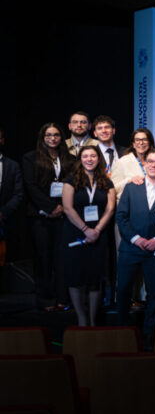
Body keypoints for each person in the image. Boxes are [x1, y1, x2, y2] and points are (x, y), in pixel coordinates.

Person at [115, 149, 155, 348]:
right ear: (145, 164)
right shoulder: (131, 187)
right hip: (131, 247)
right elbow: (121, 216)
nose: (153, 165)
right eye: (150, 161)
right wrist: (136, 238)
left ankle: (149, 333)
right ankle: (123, 331)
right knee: (123, 290)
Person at [61, 144, 116, 327]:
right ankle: (82, 319)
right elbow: (68, 208)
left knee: (95, 279)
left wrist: (97, 230)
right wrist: (86, 229)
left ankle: (93, 321)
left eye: (93, 156)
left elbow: (110, 208)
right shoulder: (70, 181)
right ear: (80, 159)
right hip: (75, 233)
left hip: (99, 234)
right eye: (85, 156)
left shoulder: (106, 182)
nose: (89, 159)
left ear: (99, 159)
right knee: (75, 278)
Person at [23, 123, 74, 311]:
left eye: (56, 135)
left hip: (64, 214)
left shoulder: (69, 158)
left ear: (62, 137)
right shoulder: (30, 158)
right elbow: (30, 187)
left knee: (62, 258)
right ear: (42, 137)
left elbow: (73, 184)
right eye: (48, 135)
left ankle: (62, 298)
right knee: (43, 258)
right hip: (41, 216)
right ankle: (46, 300)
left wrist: (63, 207)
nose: (52, 138)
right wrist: (51, 207)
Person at [110, 128, 154, 200]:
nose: (141, 143)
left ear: (150, 142)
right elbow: (113, 189)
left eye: (144, 139)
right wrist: (129, 180)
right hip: (130, 203)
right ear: (133, 144)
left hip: (152, 201)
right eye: (137, 140)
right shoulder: (122, 162)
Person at [0, 126, 24, 249]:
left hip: (5, 220)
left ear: (2, 141)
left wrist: (3, 212)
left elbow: (18, 194)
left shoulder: (13, 165)